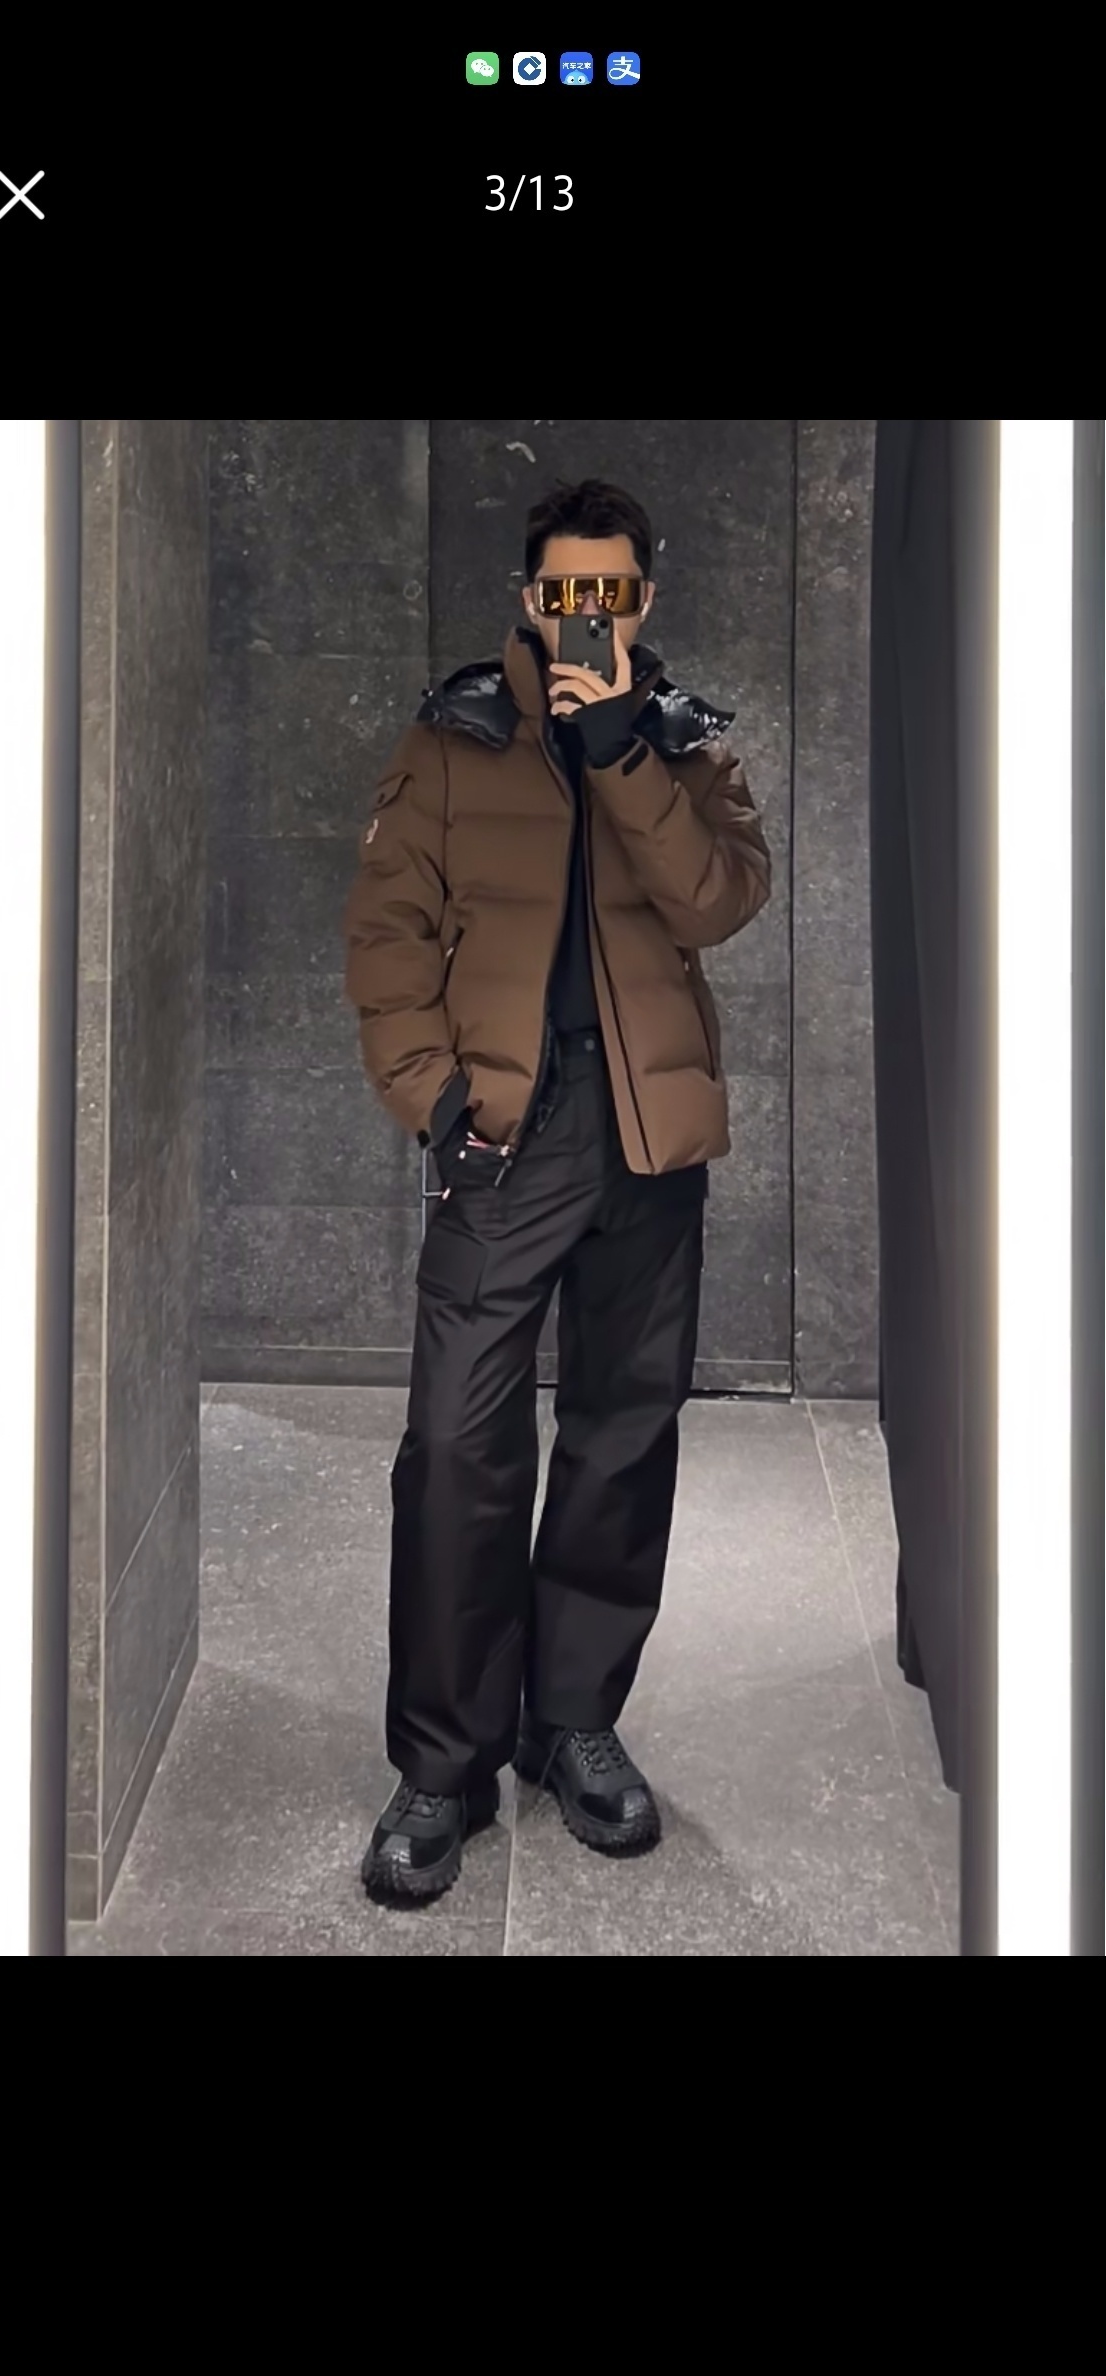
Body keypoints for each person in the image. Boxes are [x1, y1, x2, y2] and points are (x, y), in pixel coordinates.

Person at [344, 477, 771, 1904]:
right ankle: (443, 1765)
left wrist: (621, 752)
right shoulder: (454, 734)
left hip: (650, 1137)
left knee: (621, 1435)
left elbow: (718, 899)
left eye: (613, 591)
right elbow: (386, 929)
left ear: (643, 598)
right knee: (456, 1450)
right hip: (504, 1134)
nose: (588, 612)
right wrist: (437, 1100)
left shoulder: (686, 742)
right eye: (565, 590)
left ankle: (574, 1722)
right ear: (531, 598)